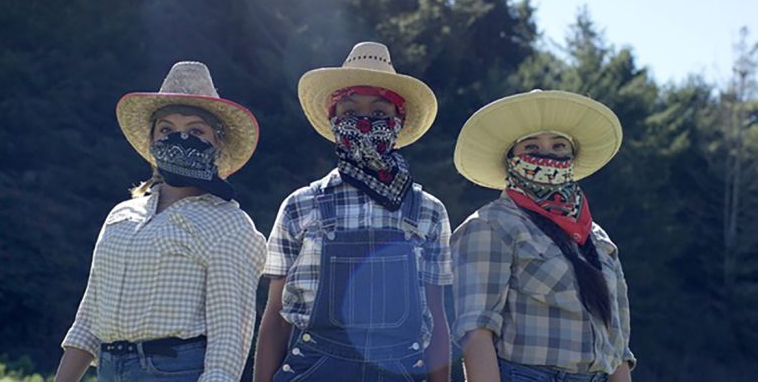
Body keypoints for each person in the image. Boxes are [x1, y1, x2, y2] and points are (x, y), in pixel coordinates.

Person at [55, 61, 267, 382]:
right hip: (110, 369)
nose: (179, 139)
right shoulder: (121, 216)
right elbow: (89, 318)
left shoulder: (229, 225)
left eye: (196, 131)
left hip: (174, 370)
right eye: (166, 130)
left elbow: (229, 339)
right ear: (153, 140)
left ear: (217, 143)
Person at [254, 42, 452, 382]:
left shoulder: (429, 212)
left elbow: (437, 319)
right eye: (349, 111)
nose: (363, 122)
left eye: (378, 114)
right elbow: (276, 314)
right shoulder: (301, 205)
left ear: (397, 123)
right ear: (334, 120)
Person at [450, 89, 635, 382]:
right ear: (511, 160)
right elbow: (476, 331)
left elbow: (618, 346)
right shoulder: (490, 226)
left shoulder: (598, 240)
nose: (547, 153)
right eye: (532, 146)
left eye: (559, 145)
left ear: (572, 158)